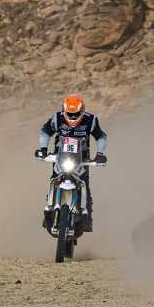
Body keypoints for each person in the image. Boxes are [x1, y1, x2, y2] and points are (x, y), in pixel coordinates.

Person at [35, 94, 107, 231]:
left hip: (81, 161)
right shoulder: (57, 118)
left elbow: (101, 137)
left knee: (85, 185)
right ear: (64, 110)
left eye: (76, 114)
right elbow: (45, 132)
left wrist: (100, 154)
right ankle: (49, 210)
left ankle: (87, 218)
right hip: (60, 158)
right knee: (54, 180)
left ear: (82, 111)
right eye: (70, 114)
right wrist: (43, 150)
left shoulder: (90, 120)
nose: (73, 118)